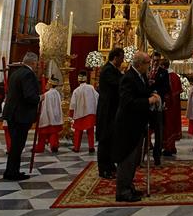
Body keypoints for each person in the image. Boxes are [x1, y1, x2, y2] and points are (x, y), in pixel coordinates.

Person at [113, 51, 161, 203]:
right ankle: (122, 191)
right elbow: (129, 103)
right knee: (127, 158)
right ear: (139, 64)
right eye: (148, 63)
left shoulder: (140, 76)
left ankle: (128, 185)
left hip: (137, 124)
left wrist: (152, 94)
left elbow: (143, 92)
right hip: (128, 125)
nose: (150, 66)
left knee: (134, 159)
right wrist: (149, 101)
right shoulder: (128, 78)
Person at [2, 54, 41, 180]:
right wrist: (40, 98)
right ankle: (12, 173)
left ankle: (11, 170)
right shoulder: (28, 75)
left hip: (13, 113)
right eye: (37, 64)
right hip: (21, 115)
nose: (37, 66)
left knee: (15, 145)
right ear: (34, 63)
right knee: (18, 145)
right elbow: (29, 96)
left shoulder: (15, 73)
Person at [96, 47, 123, 178]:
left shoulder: (113, 70)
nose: (123, 61)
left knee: (111, 139)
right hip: (107, 111)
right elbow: (117, 83)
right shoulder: (108, 70)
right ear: (116, 57)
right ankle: (104, 169)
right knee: (105, 140)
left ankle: (110, 165)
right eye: (121, 58)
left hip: (112, 110)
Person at [148, 51, 170, 165]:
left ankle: (157, 156)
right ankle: (141, 155)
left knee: (158, 131)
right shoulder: (146, 71)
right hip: (146, 103)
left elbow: (167, 88)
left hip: (158, 105)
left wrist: (157, 91)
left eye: (158, 60)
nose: (156, 62)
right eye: (154, 60)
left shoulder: (164, 72)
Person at [69, 71, 99, 154]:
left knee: (78, 131)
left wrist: (71, 113)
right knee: (90, 131)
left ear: (78, 80)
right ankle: (91, 147)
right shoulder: (91, 88)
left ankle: (76, 148)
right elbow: (97, 97)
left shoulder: (76, 91)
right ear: (86, 79)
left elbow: (73, 103)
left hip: (79, 113)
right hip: (90, 112)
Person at [34, 75, 63, 154]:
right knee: (54, 132)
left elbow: (45, 106)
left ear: (50, 84)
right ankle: (54, 145)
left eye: (47, 83)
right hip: (55, 115)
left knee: (42, 134)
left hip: (47, 115)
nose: (46, 84)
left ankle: (40, 147)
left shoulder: (47, 94)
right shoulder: (57, 93)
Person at [162, 59, 182, 156]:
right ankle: (171, 146)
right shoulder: (175, 76)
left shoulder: (167, 75)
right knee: (171, 125)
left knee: (168, 126)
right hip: (174, 105)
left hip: (168, 105)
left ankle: (169, 147)